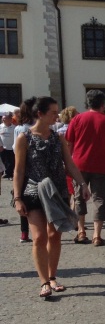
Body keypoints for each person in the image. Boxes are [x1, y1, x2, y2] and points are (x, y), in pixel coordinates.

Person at [12, 96, 90, 298]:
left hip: (57, 192)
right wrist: (18, 198)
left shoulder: (58, 138)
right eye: (53, 112)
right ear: (40, 114)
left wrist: (82, 184)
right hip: (33, 191)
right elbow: (19, 171)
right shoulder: (24, 138)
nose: (57, 115)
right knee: (39, 237)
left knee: (55, 236)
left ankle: (53, 276)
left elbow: (70, 164)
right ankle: (44, 281)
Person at [65, 89, 105, 246]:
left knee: (79, 198)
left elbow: (69, 145)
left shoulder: (77, 120)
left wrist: (66, 165)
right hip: (101, 165)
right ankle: (97, 235)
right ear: (103, 104)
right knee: (100, 199)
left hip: (79, 165)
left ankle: (81, 231)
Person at [14, 102, 34, 242]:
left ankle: (24, 233)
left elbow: (16, 148)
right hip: (31, 167)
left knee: (22, 199)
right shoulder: (31, 129)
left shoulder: (18, 128)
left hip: (21, 164)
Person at [0, 111, 16, 179]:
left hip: (11, 147)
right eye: (2, 118)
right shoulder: (0, 126)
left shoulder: (14, 127)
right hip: (3, 147)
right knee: (4, 161)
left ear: (10, 119)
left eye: (5, 118)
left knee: (11, 162)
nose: (3, 119)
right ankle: (6, 173)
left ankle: (9, 174)